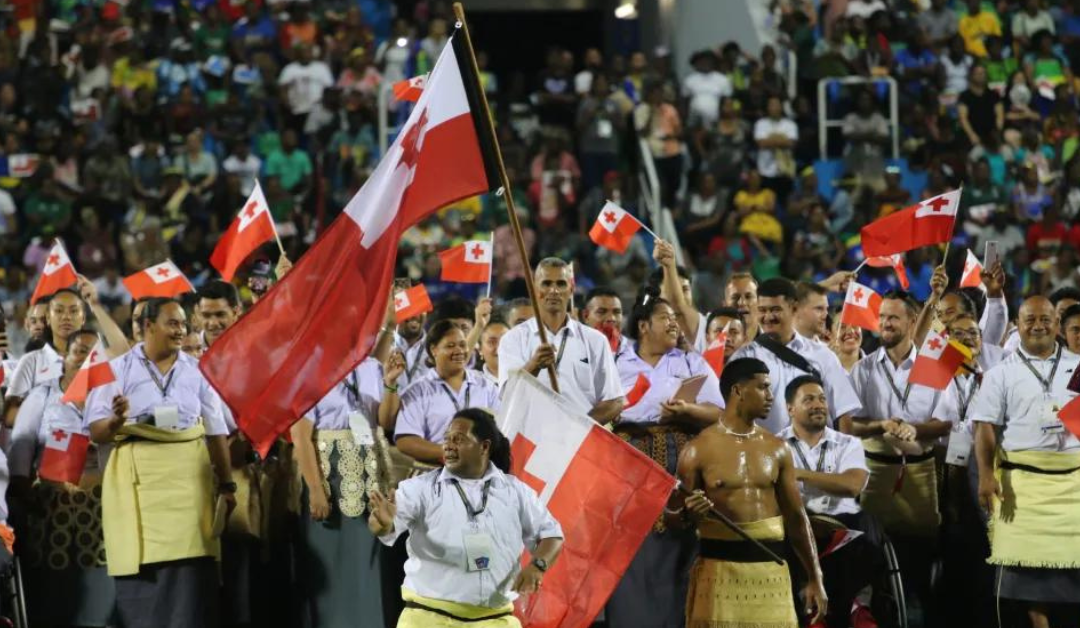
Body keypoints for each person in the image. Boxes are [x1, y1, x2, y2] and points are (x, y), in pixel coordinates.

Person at [84, 297, 235, 628]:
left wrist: (226, 484)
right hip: (141, 487)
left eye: (183, 323)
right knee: (147, 576)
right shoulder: (116, 370)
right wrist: (115, 420)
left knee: (193, 575)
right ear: (148, 326)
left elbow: (216, 430)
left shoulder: (198, 370)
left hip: (189, 487)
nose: (181, 330)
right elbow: (96, 431)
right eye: (173, 323)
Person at [368, 408, 564, 628]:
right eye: (447, 439)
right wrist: (382, 524)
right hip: (429, 619)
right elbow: (381, 526)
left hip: (495, 620)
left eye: (459, 439)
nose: (448, 445)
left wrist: (537, 565)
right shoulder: (419, 489)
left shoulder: (516, 492)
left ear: (484, 447)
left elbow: (552, 535)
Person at [672, 358, 826, 627]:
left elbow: (796, 518)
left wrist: (816, 578)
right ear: (738, 391)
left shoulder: (777, 448)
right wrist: (688, 513)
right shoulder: (698, 449)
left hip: (771, 572)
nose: (770, 396)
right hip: (718, 574)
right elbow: (671, 516)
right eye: (763, 387)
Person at [606, 293, 724, 627]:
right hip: (627, 459)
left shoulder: (690, 362)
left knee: (680, 539)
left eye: (675, 316)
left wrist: (688, 410)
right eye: (665, 317)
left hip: (680, 455)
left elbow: (717, 412)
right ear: (643, 326)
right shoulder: (616, 361)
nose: (673, 322)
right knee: (628, 542)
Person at [971, 296, 1080, 628]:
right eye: (1029, 319)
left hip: (1074, 485)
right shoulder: (999, 374)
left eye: (1045, 319)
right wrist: (986, 475)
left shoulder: (1077, 365)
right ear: (1017, 325)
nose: (1037, 325)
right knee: (1024, 577)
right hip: (1021, 486)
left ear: (1056, 325)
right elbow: (986, 427)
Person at [847, 290, 947, 622]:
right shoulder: (863, 369)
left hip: (920, 475)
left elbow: (946, 420)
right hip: (874, 475)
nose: (885, 324)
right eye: (883, 317)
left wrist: (915, 430)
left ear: (912, 320)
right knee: (873, 560)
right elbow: (848, 424)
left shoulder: (934, 366)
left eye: (893, 317)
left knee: (920, 561)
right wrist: (881, 425)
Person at [8, 329, 115, 626]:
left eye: (94, 353)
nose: (85, 359)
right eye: (79, 351)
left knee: (98, 592)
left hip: (101, 512)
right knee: (57, 594)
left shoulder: (113, 397)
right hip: (50, 509)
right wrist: (25, 491)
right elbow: (21, 446)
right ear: (64, 358)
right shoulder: (43, 394)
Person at [291, 357, 392, 628]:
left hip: (370, 475)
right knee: (333, 567)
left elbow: (384, 420)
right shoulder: (310, 368)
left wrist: (391, 386)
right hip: (332, 476)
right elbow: (300, 437)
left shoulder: (373, 367)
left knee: (366, 571)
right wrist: (315, 490)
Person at [779, 376, 876, 628]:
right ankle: (811, 610)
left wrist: (798, 474)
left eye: (822, 398)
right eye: (808, 399)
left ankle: (856, 607)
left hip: (842, 526)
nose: (819, 405)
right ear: (790, 408)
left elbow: (851, 485)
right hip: (797, 524)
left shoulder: (848, 443)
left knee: (867, 528)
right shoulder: (774, 445)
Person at [929, 311, 997, 628]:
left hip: (982, 469)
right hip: (942, 466)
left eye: (973, 333)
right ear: (946, 340)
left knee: (983, 545)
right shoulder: (934, 377)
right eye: (959, 334)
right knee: (950, 543)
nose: (968, 338)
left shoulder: (995, 377)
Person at [498, 258, 624, 422]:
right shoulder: (513, 339)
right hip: (533, 440)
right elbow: (509, 396)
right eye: (547, 283)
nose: (554, 290)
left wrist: (580, 429)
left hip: (581, 442)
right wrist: (533, 365)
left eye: (561, 284)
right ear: (534, 290)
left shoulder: (595, 340)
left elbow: (615, 400)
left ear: (571, 289)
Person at [731, 278, 861, 435]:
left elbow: (843, 413)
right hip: (764, 455)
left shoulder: (823, 356)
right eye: (763, 310)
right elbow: (732, 414)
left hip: (815, 455)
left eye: (775, 309)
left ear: (794, 309)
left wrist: (844, 456)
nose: (768, 317)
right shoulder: (743, 359)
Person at [5, 285, 127, 426]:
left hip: (94, 440)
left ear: (83, 319)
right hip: (48, 443)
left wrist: (95, 305)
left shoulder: (95, 357)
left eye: (74, 311)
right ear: (48, 319)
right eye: (59, 311)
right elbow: (9, 417)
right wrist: (54, 414)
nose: (66, 317)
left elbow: (123, 351)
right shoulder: (31, 361)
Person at [387, 320, 501, 470]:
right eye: (450, 346)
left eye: (462, 345)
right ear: (434, 350)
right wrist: (451, 452)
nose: (459, 351)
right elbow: (406, 440)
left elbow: (503, 426)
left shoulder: (486, 385)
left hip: (482, 472)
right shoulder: (417, 391)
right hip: (436, 475)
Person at [581, 287, 626, 355]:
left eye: (616, 312)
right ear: (586, 316)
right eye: (601, 312)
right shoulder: (572, 349)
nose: (611, 318)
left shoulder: (636, 351)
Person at [476, 321, 509, 386]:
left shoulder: (525, 378)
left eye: (505, 340)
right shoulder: (472, 382)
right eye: (492, 342)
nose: (499, 348)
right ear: (480, 349)